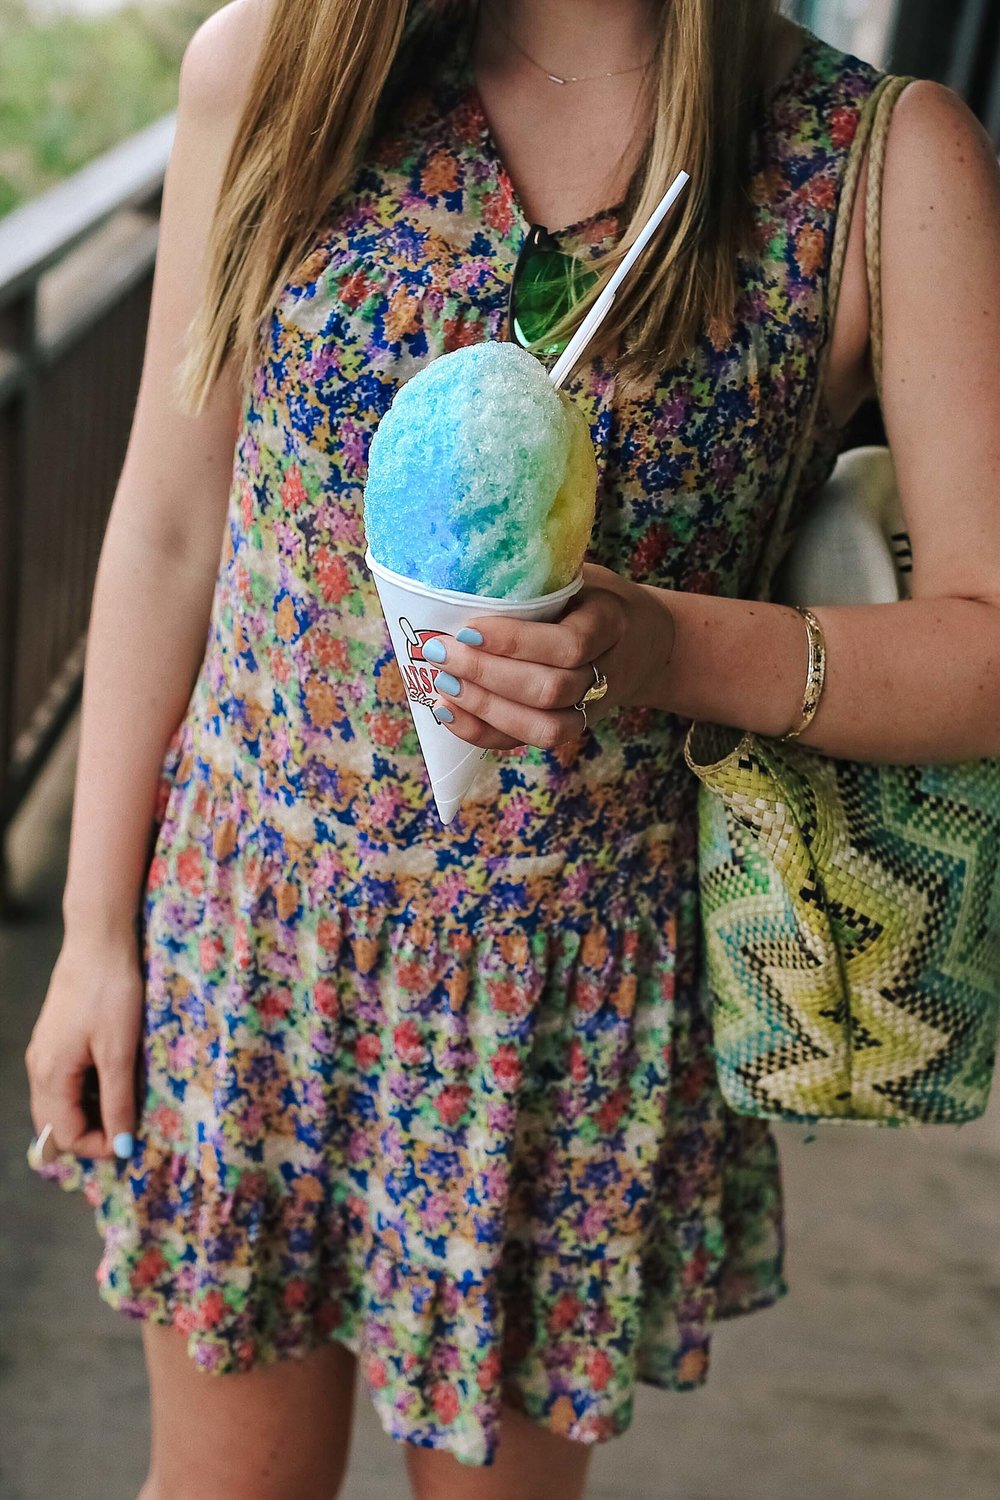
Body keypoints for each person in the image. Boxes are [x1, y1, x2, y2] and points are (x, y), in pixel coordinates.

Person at [23, 0, 1000, 1496]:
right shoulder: (281, 68)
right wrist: (95, 936)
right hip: (252, 932)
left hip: (565, 999)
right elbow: (169, 526)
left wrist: (670, 648)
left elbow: (985, 646)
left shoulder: (875, 168)